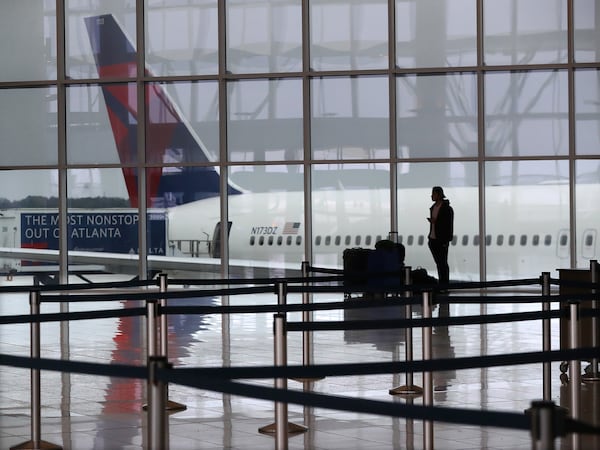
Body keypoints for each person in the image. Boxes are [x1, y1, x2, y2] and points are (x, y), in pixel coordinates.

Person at [427, 186, 454, 287]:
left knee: (442, 264)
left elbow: (448, 225)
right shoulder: (433, 207)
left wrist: (436, 222)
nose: (432, 196)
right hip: (433, 239)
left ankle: (444, 285)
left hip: (441, 240)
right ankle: (442, 285)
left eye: (433, 194)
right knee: (439, 263)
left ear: (439, 195)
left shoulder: (447, 209)